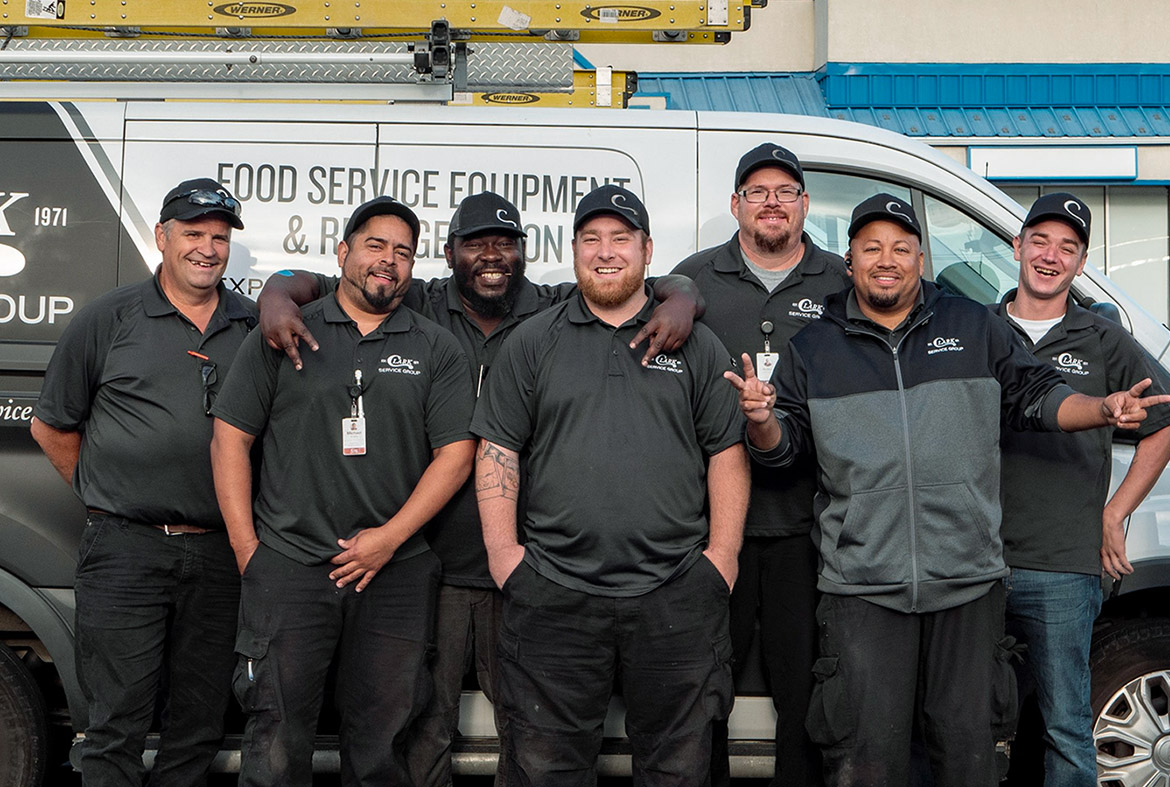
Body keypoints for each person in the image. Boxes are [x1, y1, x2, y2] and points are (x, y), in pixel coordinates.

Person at [255, 190, 700, 786]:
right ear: (449, 252)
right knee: (421, 725)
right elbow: (307, 278)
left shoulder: (554, 305)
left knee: (527, 729)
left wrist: (684, 300)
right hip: (433, 562)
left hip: (523, 564)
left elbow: (654, 283)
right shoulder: (418, 298)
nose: (492, 255)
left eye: (506, 243)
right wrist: (274, 293)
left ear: (525, 251)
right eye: (475, 243)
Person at [727, 194, 1170, 787]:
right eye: (872, 248)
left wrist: (1100, 408)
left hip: (966, 584)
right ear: (850, 259)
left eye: (901, 248)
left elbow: (1036, 397)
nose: (887, 260)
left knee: (967, 761)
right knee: (868, 762)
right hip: (862, 588)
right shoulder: (814, 348)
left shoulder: (973, 327)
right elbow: (786, 451)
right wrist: (761, 420)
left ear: (920, 258)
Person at [471, 184, 749, 786]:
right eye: (591, 239)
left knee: (679, 770)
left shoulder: (696, 344)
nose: (605, 252)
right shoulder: (532, 342)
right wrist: (504, 558)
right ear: (572, 250)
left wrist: (720, 560)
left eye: (621, 239)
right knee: (545, 771)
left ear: (648, 250)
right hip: (553, 595)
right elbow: (499, 450)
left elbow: (726, 453)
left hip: (676, 592)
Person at [210, 196, 477, 787]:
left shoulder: (437, 348)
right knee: (277, 742)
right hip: (290, 566)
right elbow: (230, 439)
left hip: (396, 574)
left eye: (403, 252)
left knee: (382, 744)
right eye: (375, 245)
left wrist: (388, 539)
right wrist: (248, 553)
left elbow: (455, 455)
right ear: (342, 253)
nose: (389, 261)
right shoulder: (285, 331)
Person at [30, 178, 250, 787]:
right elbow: (51, 426)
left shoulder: (255, 328)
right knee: (115, 727)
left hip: (220, 554)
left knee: (199, 727)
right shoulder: (109, 317)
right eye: (192, 234)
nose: (207, 248)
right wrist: (112, 496)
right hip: (126, 550)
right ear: (161, 237)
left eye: (219, 237)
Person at [672, 142, 847, 787]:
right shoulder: (692, 281)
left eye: (784, 192)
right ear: (735, 205)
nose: (771, 202)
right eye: (757, 191)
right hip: (711, 528)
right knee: (706, 686)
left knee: (802, 696)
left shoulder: (839, 282)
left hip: (809, 525)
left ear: (804, 205)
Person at [994, 193, 1170, 785]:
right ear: (1016, 246)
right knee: (962, 719)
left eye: (1067, 248)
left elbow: (1166, 423)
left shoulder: (1102, 340)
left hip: (1063, 565)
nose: (1051, 257)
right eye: (1041, 242)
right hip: (970, 559)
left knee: (1065, 726)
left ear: (1081, 263)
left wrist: (1116, 512)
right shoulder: (974, 329)